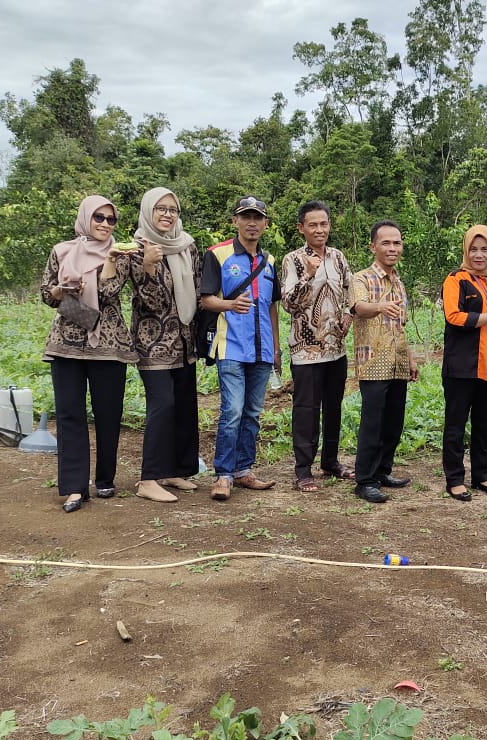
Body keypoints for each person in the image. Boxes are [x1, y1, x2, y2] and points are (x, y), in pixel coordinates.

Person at [40, 196, 136, 513]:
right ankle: (74, 487)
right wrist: (61, 290)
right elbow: (47, 295)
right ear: (85, 218)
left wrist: (109, 260)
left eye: (111, 219)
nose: (105, 224)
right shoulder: (61, 251)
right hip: (66, 343)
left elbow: (108, 292)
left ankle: (105, 478)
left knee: (108, 415)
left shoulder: (120, 254)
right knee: (69, 415)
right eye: (99, 217)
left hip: (108, 346)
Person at [198, 196, 281, 501]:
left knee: (253, 412)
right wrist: (230, 305)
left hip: (262, 350)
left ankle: (243, 469)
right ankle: (223, 474)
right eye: (245, 217)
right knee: (232, 411)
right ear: (235, 221)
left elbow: (272, 307)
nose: (252, 223)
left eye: (257, 218)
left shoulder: (270, 261)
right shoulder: (217, 255)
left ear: (265, 224)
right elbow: (206, 300)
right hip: (230, 345)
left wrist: (276, 348)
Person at [128, 187, 201, 504]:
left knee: (184, 406)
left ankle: (174, 470)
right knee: (163, 406)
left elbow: (197, 290)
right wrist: (148, 267)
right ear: (148, 211)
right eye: (160, 208)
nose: (167, 214)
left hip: (184, 342)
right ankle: (148, 478)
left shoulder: (187, 245)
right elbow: (150, 301)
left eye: (172, 209)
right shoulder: (136, 249)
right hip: (153, 344)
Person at [281, 200, 354, 492]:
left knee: (334, 407)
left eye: (323, 224)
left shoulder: (338, 257)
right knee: (306, 411)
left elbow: (350, 290)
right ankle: (303, 470)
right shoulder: (293, 260)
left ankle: (330, 461)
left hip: (336, 348)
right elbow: (288, 304)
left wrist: (349, 313)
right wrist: (308, 275)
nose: (319, 229)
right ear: (302, 228)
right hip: (306, 350)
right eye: (313, 225)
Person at [441, 225, 487, 501]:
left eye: (485, 249)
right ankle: (454, 479)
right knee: (456, 425)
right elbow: (454, 317)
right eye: (473, 249)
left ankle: (482, 475)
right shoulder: (456, 280)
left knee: (484, 423)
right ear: (466, 250)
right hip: (461, 366)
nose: (479, 255)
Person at [349, 220, 418, 503]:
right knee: (373, 423)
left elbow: (401, 326)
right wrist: (380, 306)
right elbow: (359, 307)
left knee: (393, 422)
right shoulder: (361, 279)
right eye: (386, 243)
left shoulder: (399, 282)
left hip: (398, 362)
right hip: (373, 362)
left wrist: (410, 358)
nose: (392, 248)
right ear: (373, 247)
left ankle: (382, 471)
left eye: (397, 243)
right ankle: (365, 481)